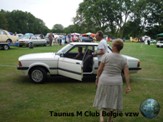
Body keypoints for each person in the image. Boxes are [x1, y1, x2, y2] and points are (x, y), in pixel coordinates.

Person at [93, 39, 131, 122]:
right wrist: (128, 86)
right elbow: (126, 74)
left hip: (104, 80)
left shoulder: (106, 56)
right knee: (113, 100)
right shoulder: (124, 59)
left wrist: (97, 78)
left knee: (102, 98)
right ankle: (110, 119)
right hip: (117, 82)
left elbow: (99, 70)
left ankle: (102, 118)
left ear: (114, 47)